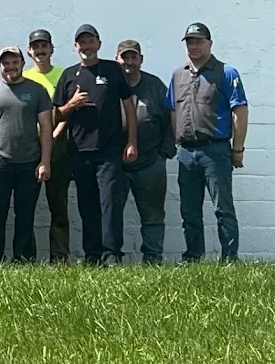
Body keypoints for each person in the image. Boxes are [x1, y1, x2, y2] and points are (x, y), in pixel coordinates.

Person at [53, 24, 138, 266]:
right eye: (82, 42)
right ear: (75, 46)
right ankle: (92, 256)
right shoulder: (68, 75)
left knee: (110, 203)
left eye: (91, 42)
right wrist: (72, 105)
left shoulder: (112, 70)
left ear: (99, 44)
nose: (86, 47)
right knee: (86, 204)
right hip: (78, 151)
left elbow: (129, 107)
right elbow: (56, 114)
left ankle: (112, 255)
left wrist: (131, 141)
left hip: (109, 150)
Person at [166, 22, 248, 262]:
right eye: (190, 42)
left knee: (223, 209)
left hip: (216, 151)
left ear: (210, 44)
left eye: (199, 41)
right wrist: (176, 141)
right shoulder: (178, 74)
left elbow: (240, 112)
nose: (194, 46)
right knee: (189, 211)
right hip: (186, 153)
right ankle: (193, 258)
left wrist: (238, 149)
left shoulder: (226, 72)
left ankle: (229, 259)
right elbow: (172, 110)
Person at [0, 47, 52, 262]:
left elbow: (46, 128)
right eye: (5, 63)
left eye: (14, 62)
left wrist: (45, 161)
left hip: (30, 162)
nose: (10, 67)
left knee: (25, 215)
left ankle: (24, 259)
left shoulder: (37, 91)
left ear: (22, 63)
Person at [117, 39, 175, 264]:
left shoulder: (155, 86)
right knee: (112, 216)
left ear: (141, 59)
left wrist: (163, 155)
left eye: (133, 57)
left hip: (151, 164)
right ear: (117, 60)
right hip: (116, 165)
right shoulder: (111, 85)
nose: (129, 62)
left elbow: (171, 121)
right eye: (125, 57)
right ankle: (114, 259)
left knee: (152, 217)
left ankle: (153, 261)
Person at [23, 28, 70, 263]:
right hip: (30, 150)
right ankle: (28, 258)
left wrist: (52, 137)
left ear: (51, 48)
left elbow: (66, 114)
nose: (40, 51)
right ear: (29, 51)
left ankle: (59, 259)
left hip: (59, 150)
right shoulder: (24, 78)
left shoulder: (64, 75)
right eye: (36, 47)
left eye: (44, 46)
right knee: (27, 208)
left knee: (58, 207)